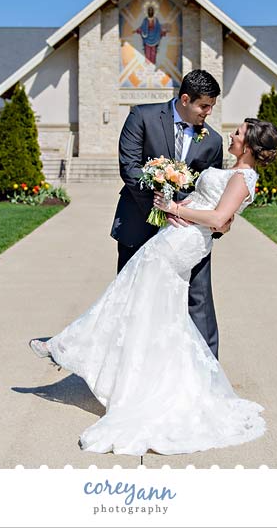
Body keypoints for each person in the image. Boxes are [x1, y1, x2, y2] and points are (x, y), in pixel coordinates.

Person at [29, 117, 277, 456]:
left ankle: (64, 345)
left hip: (185, 243)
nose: (232, 135)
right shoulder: (234, 172)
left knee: (130, 298)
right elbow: (216, 210)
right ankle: (112, 363)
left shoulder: (242, 177)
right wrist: (181, 204)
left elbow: (221, 219)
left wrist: (176, 208)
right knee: (149, 308)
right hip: (177, 235)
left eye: (238, 134)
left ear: (249, 145)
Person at [112, 69, 227, 359]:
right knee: (133, 295)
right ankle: (128, 362)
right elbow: (130, 168)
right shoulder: (142, 117)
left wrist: (190, 215)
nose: (208, 113)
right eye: (204, 106)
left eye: (212, 106)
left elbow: (207, 184)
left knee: (197, 297)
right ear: (185, 99)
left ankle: (207, 368)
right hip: (139, 221)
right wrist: (162, 208)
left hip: (186, 230)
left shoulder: (212, 140)